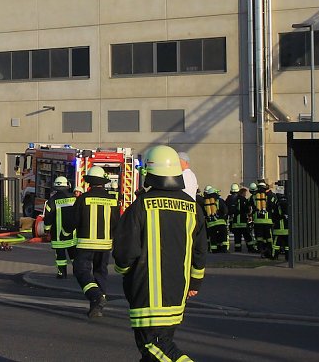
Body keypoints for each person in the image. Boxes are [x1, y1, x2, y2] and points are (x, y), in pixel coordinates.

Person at [114, 144, 207, 362]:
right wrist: (194, 283)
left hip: (147, 294)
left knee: (154, 346)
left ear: (150, 173)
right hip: (178, 294)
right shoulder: (193, 208)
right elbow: (200, 251)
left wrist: (123, 270)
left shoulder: (140, 206)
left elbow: (124, 252)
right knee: (153, 355)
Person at [73, 165, 119, 319]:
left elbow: (75, 220)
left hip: (85, 243)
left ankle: (95, 295)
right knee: (101, 273)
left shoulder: (82, 199)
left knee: (81, 270)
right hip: (105, 244)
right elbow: (116, 223)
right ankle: (97, 307)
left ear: (89, 182)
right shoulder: (113, 200)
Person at [43, 175, 77, 278]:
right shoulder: (73, 199)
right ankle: (78, 272)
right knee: (74, 255)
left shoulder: (51, 201)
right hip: (73, 235)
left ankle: (62, 273)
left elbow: (48, 217)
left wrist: (46, 230)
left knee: (60, 256)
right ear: (67, 185)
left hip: (58, 236)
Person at [250, 179, 274, 258]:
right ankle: (270, 250)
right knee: (269, 238)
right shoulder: (271, 195)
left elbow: (249, 206)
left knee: (259, 237)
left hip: (257, 221)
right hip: (268, 221)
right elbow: (273, 206)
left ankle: (261, 251)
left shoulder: (253, 196)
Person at [229, 185, 256, 252]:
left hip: (235, 223)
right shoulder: (244, 200)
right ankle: (251, 248)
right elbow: (247, 210)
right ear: (242, 193)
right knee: (247, 236)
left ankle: (237, 249)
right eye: (245, 193)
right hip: (242, 222)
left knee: (237, 238)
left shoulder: (234, 199)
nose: (245, 194)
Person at [201, 186, 229, 253]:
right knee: (223, 237)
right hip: (221, 223)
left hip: (210, 224)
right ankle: (223, 249)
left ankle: (214, 250)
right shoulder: (219, 201)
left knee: (213, 238)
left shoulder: (205, 202)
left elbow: (204, 213)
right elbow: (225, 210)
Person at [270, 181, 290, 260]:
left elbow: (274, 214)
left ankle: (274, 256)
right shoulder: (288, 202)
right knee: (287, 245)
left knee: (276, 244)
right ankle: (288, 257)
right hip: (287, 227)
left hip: (279, 227)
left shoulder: (277, 202)